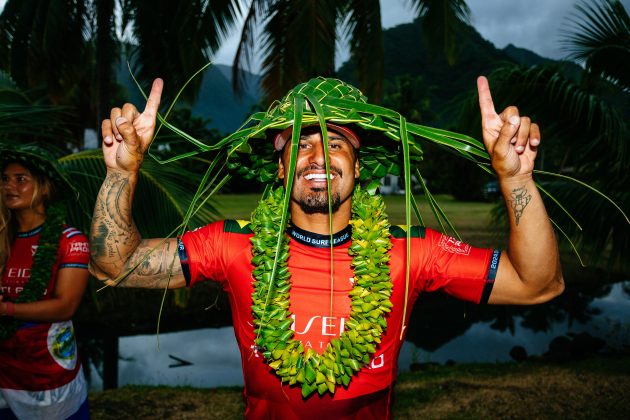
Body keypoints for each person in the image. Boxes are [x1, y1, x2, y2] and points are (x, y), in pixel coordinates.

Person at [89, 76, 563, 419]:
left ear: (359, 166)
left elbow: (537, 284)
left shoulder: (412, 252)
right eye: (298, 143)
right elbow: (118, 265)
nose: (316, 157)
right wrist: (121, 173)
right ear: (279, 168)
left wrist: (516, 178)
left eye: (335, 143)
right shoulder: (233, 245)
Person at [0, 144, 91, 420]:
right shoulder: (2, 238)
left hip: (49, 377)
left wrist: (5, 310)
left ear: (45, 187)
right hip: (4, 373)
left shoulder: (71, 240)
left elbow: (65, 306)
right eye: (4, 179)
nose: (8, 186)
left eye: (21, 179)